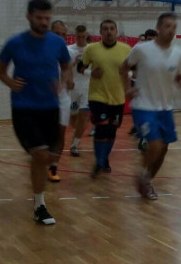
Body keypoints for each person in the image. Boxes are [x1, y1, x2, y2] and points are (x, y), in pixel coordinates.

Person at [0, 0, 72, 225]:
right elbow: (1, 71)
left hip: (50, 107)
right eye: (39, 18)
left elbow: (66, 65)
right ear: (29, 16)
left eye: (47, 18)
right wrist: (10, 82)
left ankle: (39, 201)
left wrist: (62, 81)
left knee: (48, 158)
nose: (44, 22)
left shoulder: (57, 43)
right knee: (40, 155)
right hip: (24, 108)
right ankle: (40, 206)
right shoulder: (14, 43)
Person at [121, 12, 181, 200]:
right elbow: (123, 67)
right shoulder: (142, 49)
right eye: (167, 26)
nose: (171, 30)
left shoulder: (179, 53)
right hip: (143, 105)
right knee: (155, 145)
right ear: (158, 28)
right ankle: (141, 173)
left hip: (165, 108)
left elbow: (179, 76)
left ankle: (147, 181)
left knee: (163, 149)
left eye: (174, 27)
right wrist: (127, 88)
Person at [78, 20, 131, 178]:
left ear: (116, 31)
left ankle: (105, 158)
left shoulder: (126, 49)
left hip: (118, 98)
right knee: (101, 128)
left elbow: (133, 70)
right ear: (100, 32)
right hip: (97, 96)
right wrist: (91, 73)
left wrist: (129, 79)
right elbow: (80, 67)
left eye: (112, 29)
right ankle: (99, 162)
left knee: (111, 131)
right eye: (105, 29)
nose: (109, 32)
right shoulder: (91, 49)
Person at [47, 20, 73, 182]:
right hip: (44, 98)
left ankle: (53, 167)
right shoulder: (42, 50)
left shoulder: (68, 52)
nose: (61, 37)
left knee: (61, 132)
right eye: (58, 33)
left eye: (64, 34)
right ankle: (40, 160)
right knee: (45, 134)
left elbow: (69, 70)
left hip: (63, 97)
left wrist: (68, 81)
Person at [67, 25, 91, 156]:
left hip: (87, 87)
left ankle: (74, 145)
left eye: (83, 36)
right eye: (78, 36)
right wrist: (69, 79)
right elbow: (65, 67)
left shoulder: (92, 49)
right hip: (73, 87)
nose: (81, 39)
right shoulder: (69, 49)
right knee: (73, 118)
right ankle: (79, 131)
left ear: (87, 35)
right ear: (75, 36)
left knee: (82, 116)